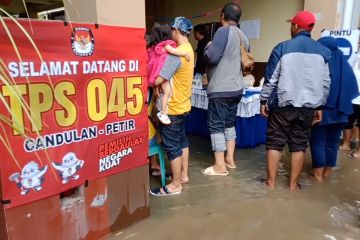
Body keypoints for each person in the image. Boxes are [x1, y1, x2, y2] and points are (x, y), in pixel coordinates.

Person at [259, 11, 331, 191]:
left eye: (292, 24)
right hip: (308, 108)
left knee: (275, 143)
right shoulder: (323, 52)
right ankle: (292, 185)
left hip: (283, 106)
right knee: (299, 145)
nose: (291, 27)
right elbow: (325, 83)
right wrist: (320, 106)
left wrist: (263, 101)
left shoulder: (282, 48)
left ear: (297, 26)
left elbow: (271, 79)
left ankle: (271, 183)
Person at [201, 2, 249, 176]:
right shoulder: (244, 36)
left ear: (222, 16)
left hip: (221, 88)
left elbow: (211, 58)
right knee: (229, 124)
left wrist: (208, 46)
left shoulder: (222, 31)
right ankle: (230, 159)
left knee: (216, 126)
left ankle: (219, 166)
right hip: (236, 88)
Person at [149, 17, 194, 196]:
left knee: (172, 147)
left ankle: (175, 185)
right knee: (182, 142)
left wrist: (153, 82)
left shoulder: (175, 54)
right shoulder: (189, 50)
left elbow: (159, 79)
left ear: (176, 31)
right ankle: (183, 176)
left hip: (172, 109)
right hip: (184, 105)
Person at [309, 37, 358, 182]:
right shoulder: (345, 65)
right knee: (332, 143)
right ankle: (326, 175)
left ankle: (317, 178)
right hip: (342, 111)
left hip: (322, 111)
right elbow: (353, 89)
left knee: (318, 142)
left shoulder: (322, 62)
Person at [147, 24, 191, 125]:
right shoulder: (169, 46)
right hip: (176, 107)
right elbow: (174, 52)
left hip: (155, 75)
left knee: (166, 93)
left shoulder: (154, 49)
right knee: (168, 92)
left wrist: (156, 85)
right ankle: (163, 113)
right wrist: (184, 54)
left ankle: (162, 113)